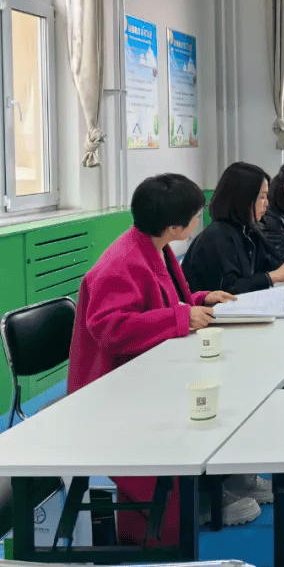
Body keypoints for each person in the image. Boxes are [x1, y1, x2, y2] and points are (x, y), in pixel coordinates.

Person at [67, 174, 262, 539]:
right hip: (112, 386)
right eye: (194, 215)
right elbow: (109, 328)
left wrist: (201, 299)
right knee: (201, 407)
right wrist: (181, 316)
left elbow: (170, 300)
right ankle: (190, 504)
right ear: (174, 225)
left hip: (146, 368)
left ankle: (211, 487)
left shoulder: (156, 246)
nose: (198, 220)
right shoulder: (121, 262)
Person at [182, 162, 284, 294]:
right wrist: (272, 277)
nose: (267, 203)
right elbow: (228, 289)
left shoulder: (249, 231)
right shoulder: (216, 236)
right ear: (243, 199)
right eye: (261, 197)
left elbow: (271, 263)